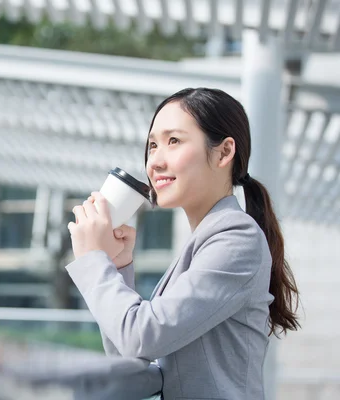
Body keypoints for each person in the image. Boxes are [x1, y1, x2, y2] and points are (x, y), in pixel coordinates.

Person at [66, 88, 301, 400]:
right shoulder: (206, 241)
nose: (156, 161)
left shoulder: (236, 237)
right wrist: (116, 266)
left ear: (223, 152)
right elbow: (130, 354)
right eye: (152, 145)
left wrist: (93, 260)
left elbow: (143, 337)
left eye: (173, 141)